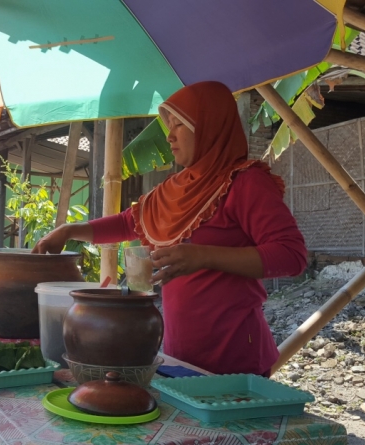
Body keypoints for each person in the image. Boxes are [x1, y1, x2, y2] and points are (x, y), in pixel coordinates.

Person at [32, 81, 307, 376]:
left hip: (236, 359)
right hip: (179, 357)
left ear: (209, 126)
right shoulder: (175, 188)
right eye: (168, 125)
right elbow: (130, 222)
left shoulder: (246, 182)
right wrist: (69, 230)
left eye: (180, 125)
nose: (169, 136)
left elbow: (291, 256)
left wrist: (203, 256)